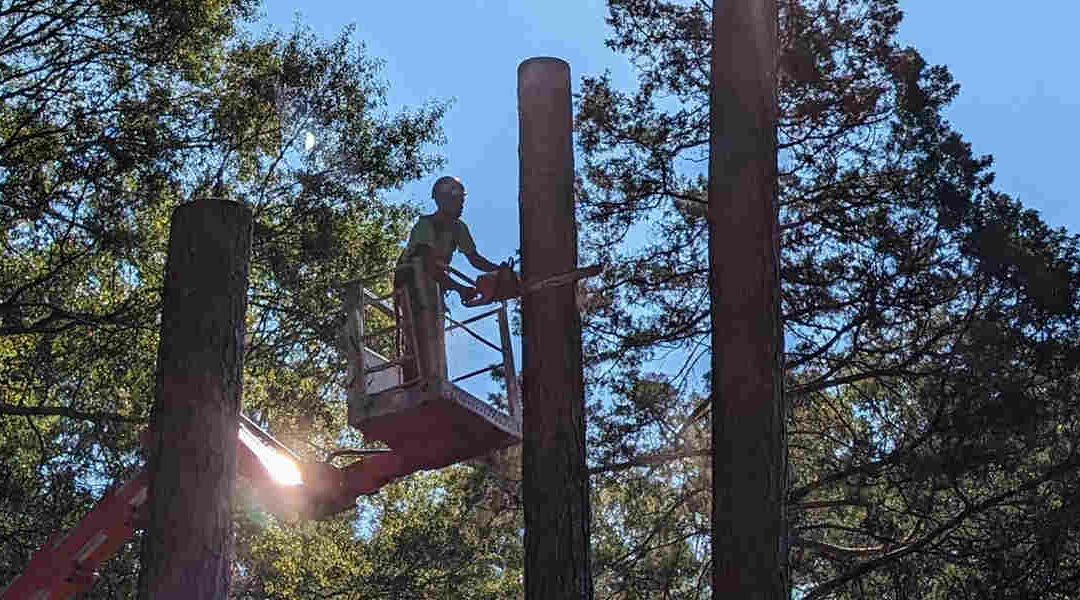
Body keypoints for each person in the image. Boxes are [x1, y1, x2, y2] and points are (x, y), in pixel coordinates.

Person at [394, 176, 502, 384]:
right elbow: (427, 265)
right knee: (416, 331)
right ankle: (413, 381)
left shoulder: (458, 228)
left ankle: (434, 376)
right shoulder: (425, 226)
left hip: (433, 284)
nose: (462, 204)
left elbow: (475, 259)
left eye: (462, 200)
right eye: (457, 200)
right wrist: (461, 288)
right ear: (443, 200)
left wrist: (499, 270)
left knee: (434, 328)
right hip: (411, 283)